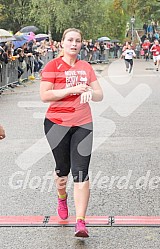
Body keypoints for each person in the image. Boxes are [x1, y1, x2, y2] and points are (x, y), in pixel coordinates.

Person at [40, 28, 103, 237]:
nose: (73, 44)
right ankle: (61, 196)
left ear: (81, 44)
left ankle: (80, 221)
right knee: (62, 170)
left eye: (77, 41)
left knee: (81, 171)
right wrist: (71, 90)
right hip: (56, 124)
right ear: (62, 43)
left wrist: (90, 92)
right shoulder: (52, 66)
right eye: (70, 40)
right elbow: (45, 95)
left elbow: (99, 94)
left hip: (83, 124)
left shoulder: (86, 67)